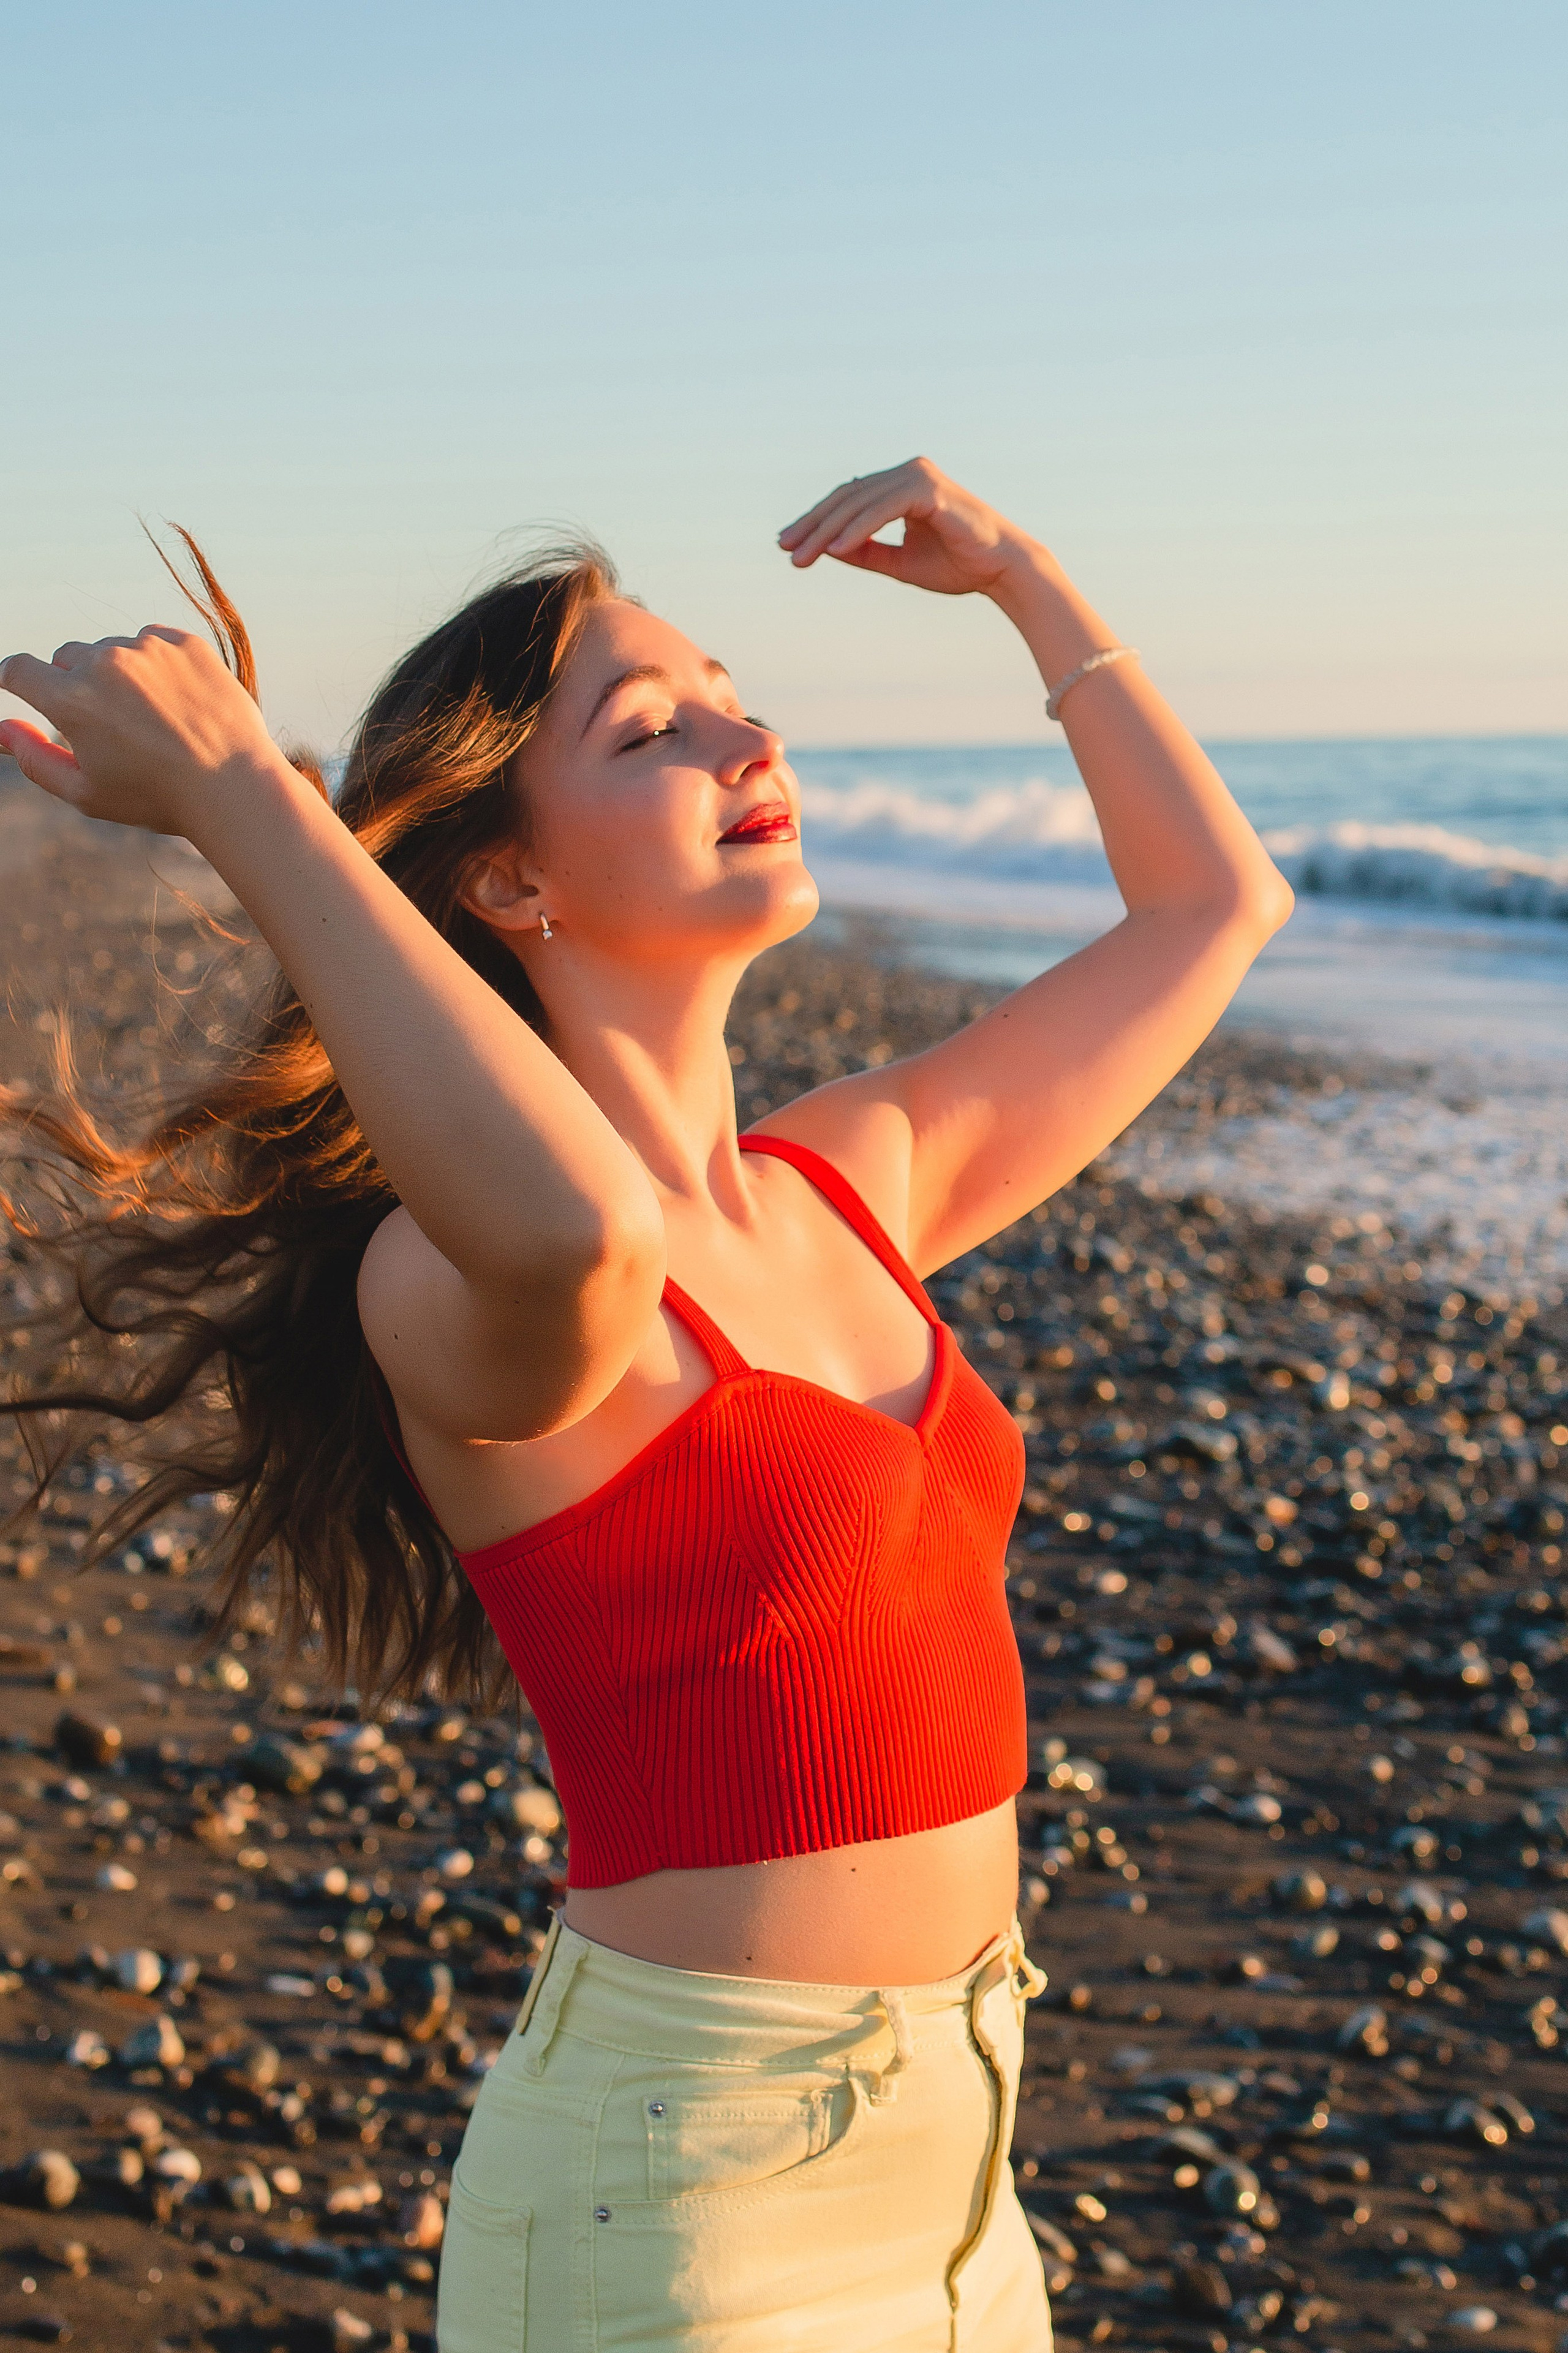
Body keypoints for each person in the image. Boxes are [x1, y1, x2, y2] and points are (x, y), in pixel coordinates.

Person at [0, 458, 1292, 2350]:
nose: (744, 738)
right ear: (508, 877)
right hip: (684, 2203)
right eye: (650, 727)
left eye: (730, 694)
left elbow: (1215, 906)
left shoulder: (845, 1182)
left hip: (963, 2184)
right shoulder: (446, 1280)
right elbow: (584, 1228)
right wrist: (245, 798)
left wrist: (1026, 581)